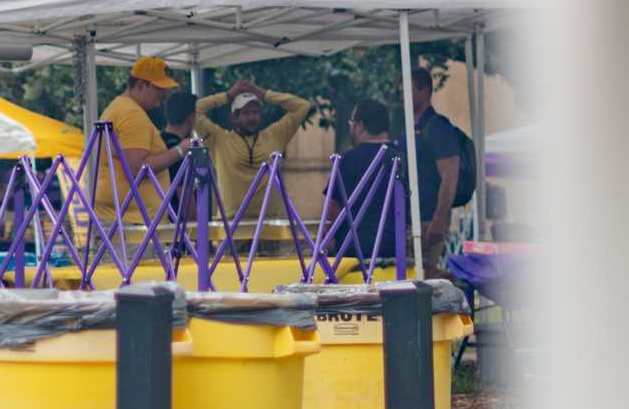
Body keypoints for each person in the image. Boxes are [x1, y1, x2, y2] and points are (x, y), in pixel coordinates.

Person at [93, 55, 192, 223]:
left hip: (122, 217)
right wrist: (180, 150)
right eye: (159, 95)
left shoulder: (118, 108)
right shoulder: (132, 115)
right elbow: (138, 169)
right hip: (135, 222)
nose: (159, 103)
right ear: (142, 85)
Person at [197, 76, 314, 213]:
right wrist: (228, 95)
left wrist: (263, 94)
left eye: (256, 112)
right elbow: (194, 109)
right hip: (231, 222)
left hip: (268, 222)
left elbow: (302, 106)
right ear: (234, 117)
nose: (252, 117)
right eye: (246, 113)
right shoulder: (219, 139)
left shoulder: (274, 135)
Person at [323, 99, 412, 264]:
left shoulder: (348, 160)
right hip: (395, 249)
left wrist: (328, 239)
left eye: (352, 122)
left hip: (353, 252)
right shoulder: (404, 158)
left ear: (360, 125)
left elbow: (333, 207)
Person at [408, 66, 472, 272]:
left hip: (429, 217)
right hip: (412, 217)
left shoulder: (437, 127)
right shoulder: (413, 127)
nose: (402, 97)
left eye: (407, 90)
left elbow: (450, 175)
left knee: (424, 274)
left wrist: (438, 219)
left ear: (424, 90)